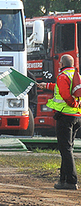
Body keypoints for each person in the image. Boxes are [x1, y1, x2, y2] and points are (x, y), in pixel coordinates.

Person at [37, 54, 81, 190]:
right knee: (67, 148)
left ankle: (72, 180)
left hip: (65, 116)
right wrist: (47, 85)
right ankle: (63, 179)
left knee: (65, 149)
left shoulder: (62, 76)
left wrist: (71, 103)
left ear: (61, 64)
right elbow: (64, 88)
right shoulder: (74, 74)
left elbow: (64, 92)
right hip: (77, 116)